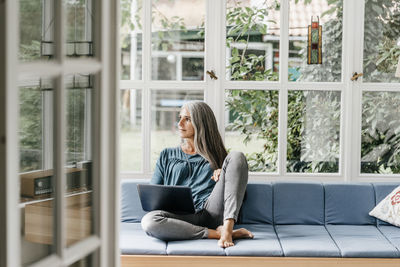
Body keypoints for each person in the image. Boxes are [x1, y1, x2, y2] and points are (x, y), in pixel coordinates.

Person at [141, 101, 253, 248]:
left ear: (201, 122)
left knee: (237, 156)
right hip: (178, 219)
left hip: (210, 213)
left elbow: (239, 196)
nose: (180, 123)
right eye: (180, 117)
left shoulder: (217, 155)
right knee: (149, 221)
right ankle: (219, 234)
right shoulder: (167, 155)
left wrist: (222, 178)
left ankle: (227, 227)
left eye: (187, 119)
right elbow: (153, 195)